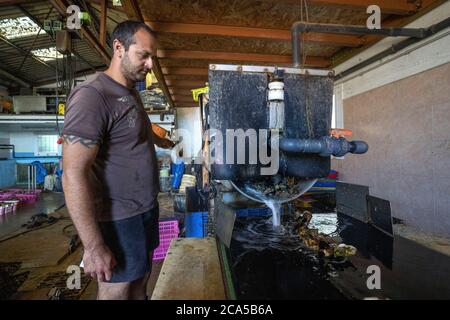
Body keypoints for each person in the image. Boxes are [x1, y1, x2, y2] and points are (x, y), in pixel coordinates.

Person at [61, 21, 167, 300]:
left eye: (152, 57)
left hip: (143, 209)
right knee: (116, 290)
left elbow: (134, 128)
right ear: (119, 48)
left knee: (139, 282)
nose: (149, 65)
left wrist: (164, 141)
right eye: (143, 55)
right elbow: (73, 174)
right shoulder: (93, 96)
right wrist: (94, 245)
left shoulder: (130, 91)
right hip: (116, 217)